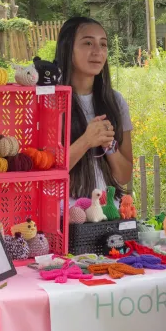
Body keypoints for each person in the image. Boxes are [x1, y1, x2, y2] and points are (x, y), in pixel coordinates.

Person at [54, 17, 133, 205]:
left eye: (103, 44)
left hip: (108, 215)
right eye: (88, 42)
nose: (98, 51)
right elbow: (46, 173)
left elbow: (124, 176)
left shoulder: (115, 101)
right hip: (65, 219)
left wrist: (109, 145)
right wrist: (86, 141)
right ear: (67, 48)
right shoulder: (50, 100)